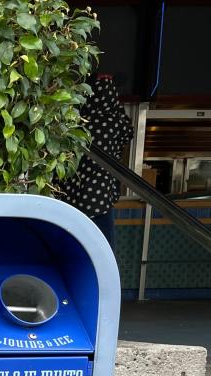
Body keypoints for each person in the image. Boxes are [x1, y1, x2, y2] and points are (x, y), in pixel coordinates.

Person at [59, 74, 133, 247]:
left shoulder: (79, 121)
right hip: (101, 196)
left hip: (74, 192)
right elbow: (128, 132)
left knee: (73, 238)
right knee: (104, 244)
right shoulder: (116, 122)